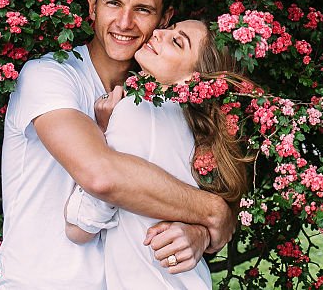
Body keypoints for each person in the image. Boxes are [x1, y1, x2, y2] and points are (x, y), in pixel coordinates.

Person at [0, 0, 235, 290]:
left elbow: (178, 190)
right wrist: (214, 214)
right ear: (92, 5)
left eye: (142, 9)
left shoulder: (162, 107)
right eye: (113, 3)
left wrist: (198, 232)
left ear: (164, 19)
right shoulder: (49, 76)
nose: (124, 23)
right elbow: (100, 174)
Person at [62, 20, 252, 288]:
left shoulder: (137, 110)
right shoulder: (198, 137)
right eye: (170, 28)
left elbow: (79, 229)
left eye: (177, 41)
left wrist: (102, 136)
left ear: (193, 79)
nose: (159, 33)